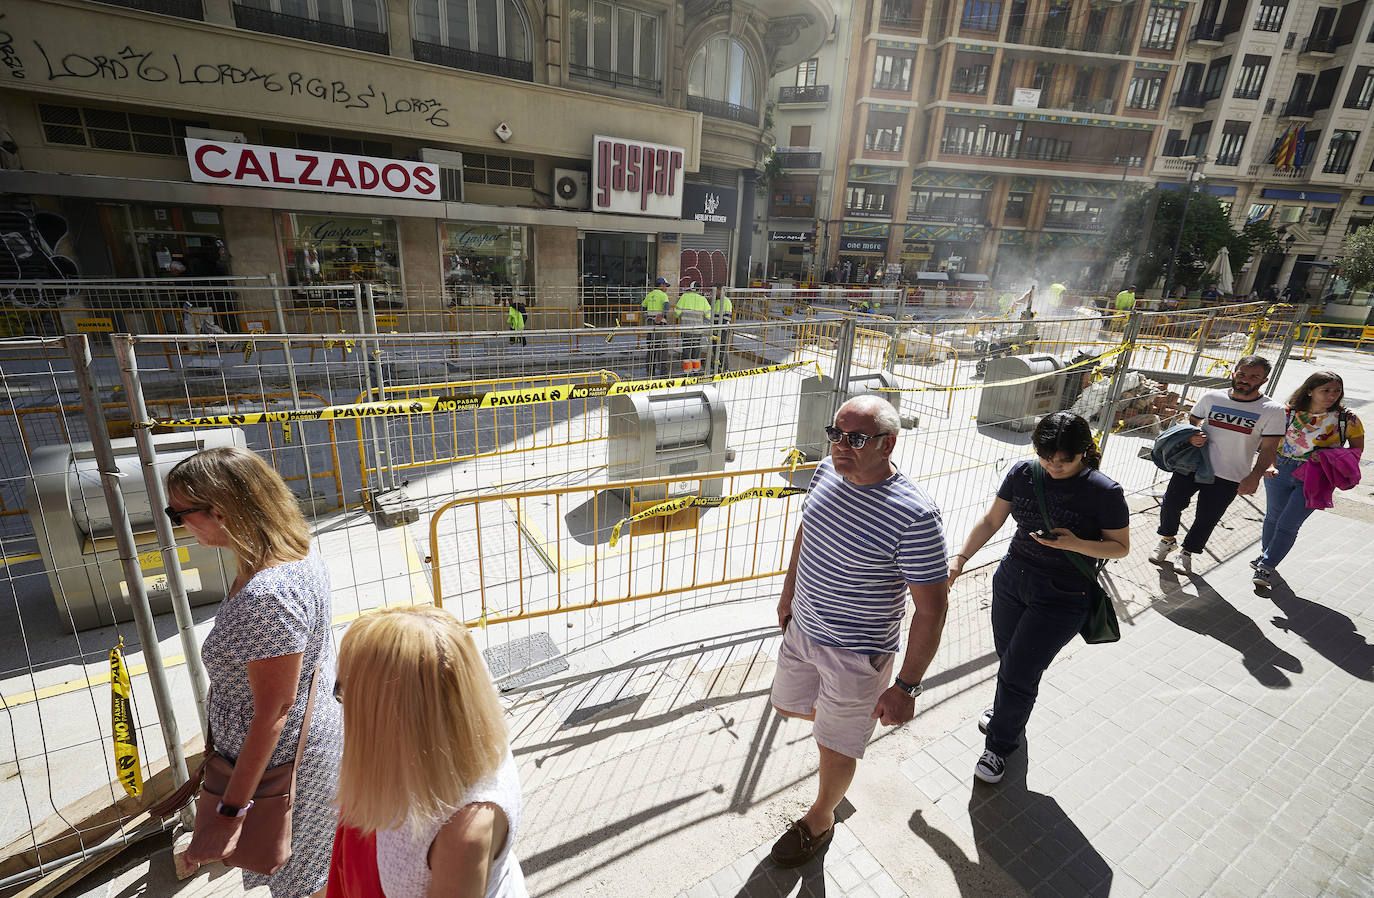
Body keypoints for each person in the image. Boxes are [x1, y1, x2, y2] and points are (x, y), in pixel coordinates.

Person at [769, 396, 948, 867]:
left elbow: (931, 609)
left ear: (887, 444)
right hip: (803, 631)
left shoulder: (915, 516)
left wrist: (906, 685)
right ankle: (842, 747)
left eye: (856, 438)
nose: (840, 446)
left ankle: (821, 817)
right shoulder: (827, 473)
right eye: (836, 433)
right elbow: (806, 535)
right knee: (791, 706)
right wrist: (789, 597)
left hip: (857, 656)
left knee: (834, 742)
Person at [167, 447, 342, 898]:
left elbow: (274, 712)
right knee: (310, 875)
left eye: (179, 512)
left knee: (304, 885)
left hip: (282, 768)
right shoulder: (294, 555)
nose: (177, 524)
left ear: (220, 511)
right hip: (292, 753)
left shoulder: (267, 593)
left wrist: (231, 812)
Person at [949, 413, 1129, 784]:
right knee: (1009, 658)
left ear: (1085, 452)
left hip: (1064, 593)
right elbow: (990, 520)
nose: (1054, 466)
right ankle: (1007, 711)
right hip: (1013, 578)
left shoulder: (1104, 491)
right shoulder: (1023, 473)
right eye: (1047, 457)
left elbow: (1120, 548)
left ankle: (999, 747)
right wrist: (960, 559)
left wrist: (1074, 543)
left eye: (1064, 460)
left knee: (1019, 671)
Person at [331, 606, 527, 898]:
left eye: (348, 693)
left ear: (394, 716)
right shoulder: (463, 729)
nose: (344, 705)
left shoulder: (464, 832)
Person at [1150, 355, 1285, 572]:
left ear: (1264, 380)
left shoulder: (1272, 410)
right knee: (1171, 503)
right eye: (1241, 374)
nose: (1245, 380)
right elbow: (1191, 424)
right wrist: (1191, 437)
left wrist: (1254, 476)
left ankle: (1187, 552)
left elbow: (1269, 448)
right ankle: (1167, 539)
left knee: (1207, 517)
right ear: (1234, 373)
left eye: (1253, 377)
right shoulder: (1212, 397)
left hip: (1231, 474)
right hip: (1194, 465)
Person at [1253, 372, 1365, 589]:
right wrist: (1269, 464)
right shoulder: (1286, 414)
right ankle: (1267, 557)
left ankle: (1266, 566)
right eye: (1326, 390)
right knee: (1273, 518)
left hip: (1317, 475)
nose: (1332, 395)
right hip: (1281, 469)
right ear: (1309, 391)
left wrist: (1328, 456)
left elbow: (1357, 449)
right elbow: (1269, 443)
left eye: (1337, 391)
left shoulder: (1348, 419)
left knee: (1289, 523)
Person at [674, 281, 711, 366]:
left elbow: (676, 312)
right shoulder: (703, 299)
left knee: (686, 351)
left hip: (686, 330)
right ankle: (696, 371)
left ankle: (687, 372)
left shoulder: (684, 297)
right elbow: (709, 315)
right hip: (697, 331)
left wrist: (680, 317)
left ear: (690, 288)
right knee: (696, 351)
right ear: (699, 289)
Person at [642, 277, 672, 377]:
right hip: (660, 325)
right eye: (665, 286)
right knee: (662, 349)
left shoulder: (649, 295)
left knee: (651, 348)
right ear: (661, 285)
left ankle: (650, 371)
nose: (666, 288)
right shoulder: (663, 295)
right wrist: (661, 315)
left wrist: (648, 315)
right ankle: (664, 373)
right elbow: (667, 306)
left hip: (650, 325)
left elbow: (643, 307)